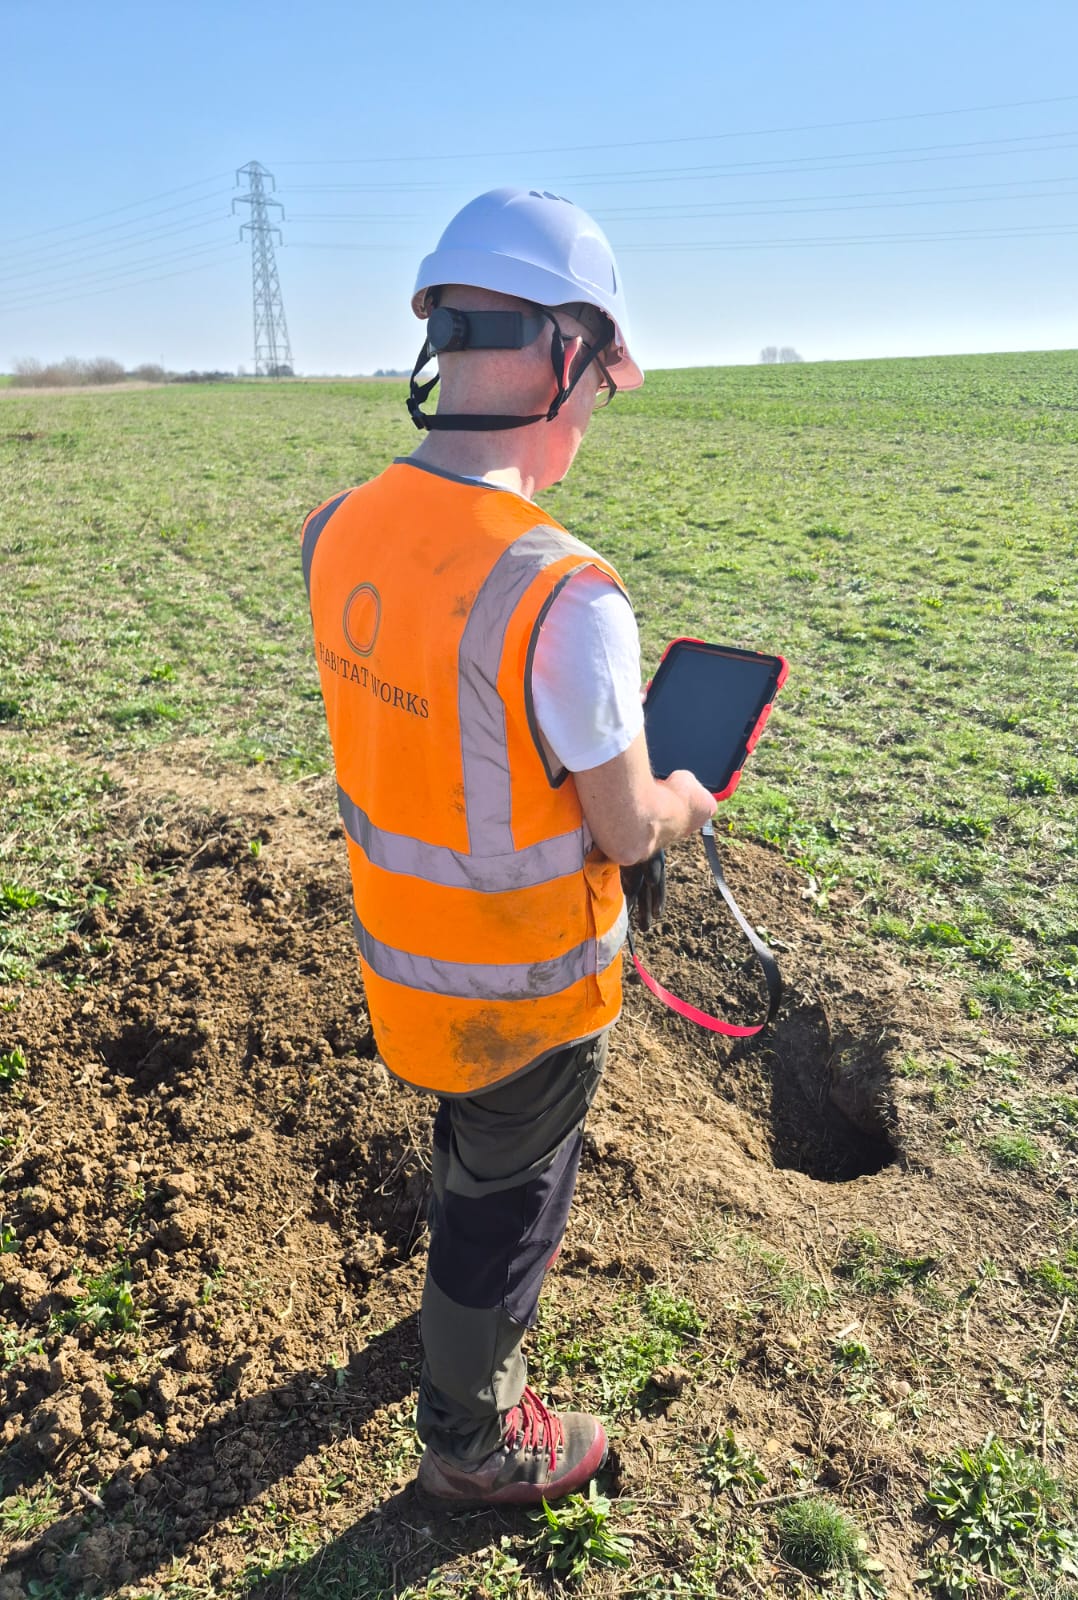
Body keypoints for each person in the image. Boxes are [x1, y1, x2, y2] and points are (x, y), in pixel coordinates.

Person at [300, 187, 716, 1507]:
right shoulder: (564, 591)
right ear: (560, 354)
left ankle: (451, 1319)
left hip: (402, 962)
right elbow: (623, 825)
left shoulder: (337, 528)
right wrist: (684, 800)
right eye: (597, 386)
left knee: (469, 1152)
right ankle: (472, 1441)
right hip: (526, 990)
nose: (591, 415)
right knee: (506, 1210)